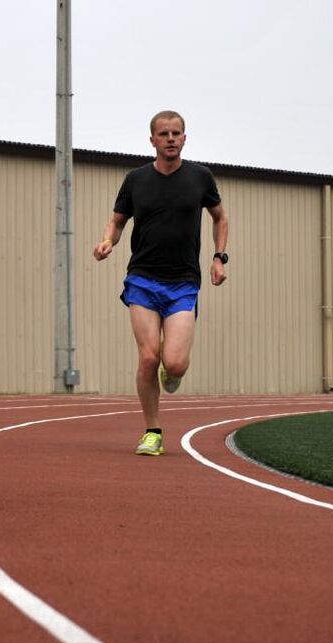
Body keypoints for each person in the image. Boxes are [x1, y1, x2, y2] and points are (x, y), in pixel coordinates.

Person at [93, 110, 229, 456]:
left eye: (176, 133)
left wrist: (219, 257)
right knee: (149, 357)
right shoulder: (136, 180)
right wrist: (109, 240)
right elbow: (117, 221)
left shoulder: (200, 177)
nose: (170, 139)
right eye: (164, 134)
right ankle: (152, 431)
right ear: (152, 140)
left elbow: (219, 217)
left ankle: (174, 374)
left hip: (183, 281)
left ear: (185, 138)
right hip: (142, 278)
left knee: (175, 363)